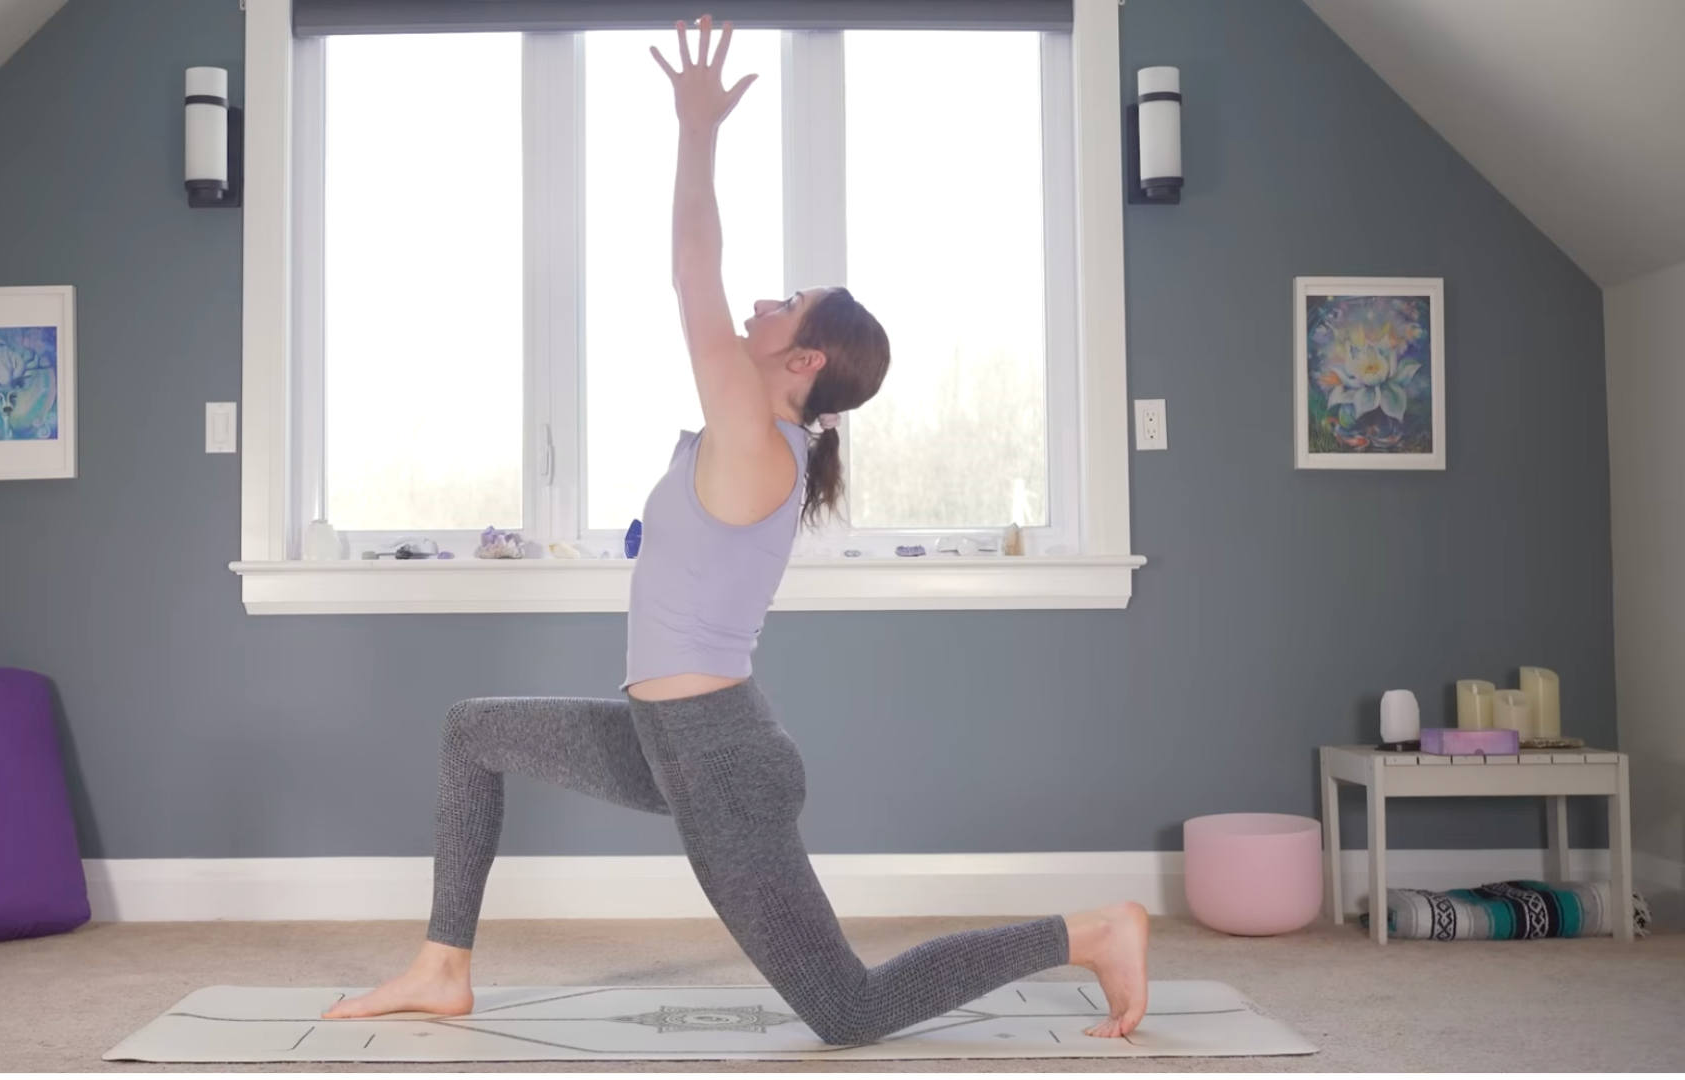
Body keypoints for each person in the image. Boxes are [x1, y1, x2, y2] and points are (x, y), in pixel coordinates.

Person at [325, 15, 1150, 1044]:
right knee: (472, 731)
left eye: (789, 303)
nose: (764, 302)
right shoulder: (739, 441)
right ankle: (442, 967)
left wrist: (697, 127)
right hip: (666, 739)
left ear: (806, 362)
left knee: (850, 1009)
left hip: (720, 763)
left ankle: (1092, 931)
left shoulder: (761, 445)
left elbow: (691, 270)